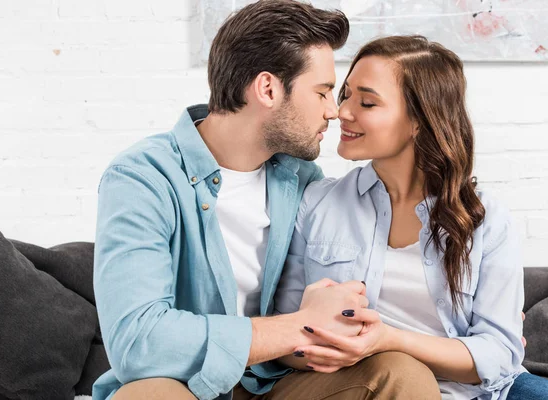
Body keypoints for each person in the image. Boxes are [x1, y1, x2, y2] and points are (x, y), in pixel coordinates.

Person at [92, 2, 441, 400]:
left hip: (274, 382)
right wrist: (296, 326)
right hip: (183, 386)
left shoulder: (302, 180)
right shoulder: (143, 178)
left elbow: (349, 281)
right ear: (268, 89)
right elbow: (138, 342)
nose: (334, 111)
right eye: (323, 92)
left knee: (399, 373)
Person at [274, 34, 548, 400]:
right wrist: (328, 344)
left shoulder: (485, 219)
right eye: (346, 95)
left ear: (419, 120)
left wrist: (387, 340)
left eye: (367, 102)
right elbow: (285, 339)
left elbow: (500, 355)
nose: (343, 112)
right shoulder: (317, 203)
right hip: (361, 387)